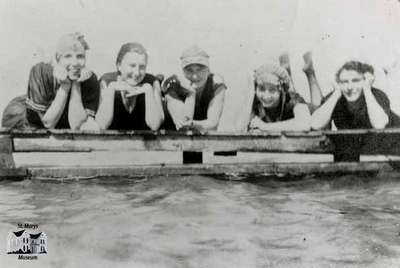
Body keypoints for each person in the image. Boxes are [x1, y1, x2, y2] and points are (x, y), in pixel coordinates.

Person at [2, 32, 100, 130]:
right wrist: (65, 87)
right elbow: (48, 124)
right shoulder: (41, 71)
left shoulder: (89, 78)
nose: (75, 63)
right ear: (58, 58)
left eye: (80, 56)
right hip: (25, 120)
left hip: (60, 119)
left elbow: (77, 126)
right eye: (68, 56)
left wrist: (76, 84)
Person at [311, 60, 400, 130]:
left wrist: (367, 89)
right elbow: (315, 124)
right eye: (344, 82)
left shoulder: (376, 95)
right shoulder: (335, 96)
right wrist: (336, 93)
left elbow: (379, 125)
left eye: (355, 81)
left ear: (366, 81)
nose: (349, 87)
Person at [95, 42, 164, 130]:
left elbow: (155, 125)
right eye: (132, 66)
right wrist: (111, 88)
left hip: (145, 142)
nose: (137, 72)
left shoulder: (152, 82)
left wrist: (148, 91)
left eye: (142, 67)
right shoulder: (107, 81)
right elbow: (102, 125)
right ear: (119, 65)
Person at [162, 46, 227, 133]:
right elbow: (182, 126)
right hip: (169, 135)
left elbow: (212, 123)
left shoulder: (216, 83)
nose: (195, 76)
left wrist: (192, 124)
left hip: (198, 135)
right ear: (183, 72)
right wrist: (191, 93)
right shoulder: (173, 84)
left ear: (208, 70)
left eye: (200, 70)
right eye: (189, 70)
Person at [236, 62, 312, 132]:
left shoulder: (292, 98)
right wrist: (251, 92)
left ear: (282, 90)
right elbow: (239, 128)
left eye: (272, 90)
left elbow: (305, 124)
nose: (266, 96)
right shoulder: (256, 100)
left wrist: (265, 127)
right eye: (261, 89)